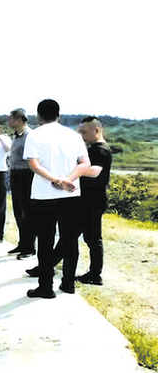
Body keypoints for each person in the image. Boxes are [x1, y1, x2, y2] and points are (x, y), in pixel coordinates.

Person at [23, 99, 90, 298]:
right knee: (69, 240)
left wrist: (55, 180)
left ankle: (46, 286)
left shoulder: (34, 135)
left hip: (44, 195)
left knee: (45, 240)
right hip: (71, 193)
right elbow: (84, 163)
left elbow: (34, 165)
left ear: (39, 115)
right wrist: (67, 180)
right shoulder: (74, 136)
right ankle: (68, 283)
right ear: (58, 115)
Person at [75, 116, 112, 285]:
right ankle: (94, 274)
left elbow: (93, 172)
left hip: (93, 201)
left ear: (96, 131)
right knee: (86, 237)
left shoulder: (100, 150)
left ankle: (95, 275)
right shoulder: (94, 149)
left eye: (83, 132)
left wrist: (72, 170)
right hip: (88, 200)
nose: (80, 135)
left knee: (90, 238)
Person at [7, 108, 36, 259]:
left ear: (19, 119)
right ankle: (22, 242)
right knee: (18, 210)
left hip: (26, 174)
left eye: (11, 118)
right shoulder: (16, 135)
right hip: (15, 174)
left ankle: (30, 247)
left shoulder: (30, 135)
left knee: (27, 211)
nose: (9, 121)